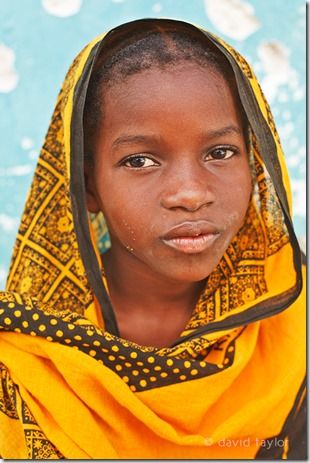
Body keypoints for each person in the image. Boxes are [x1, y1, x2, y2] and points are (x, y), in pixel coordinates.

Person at [0, 18, 306, 459]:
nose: (191, 193)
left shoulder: (297, 322)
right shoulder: (30, 359)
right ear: (86, 186)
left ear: (256, 160)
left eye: (220, 153)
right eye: (140, 160)